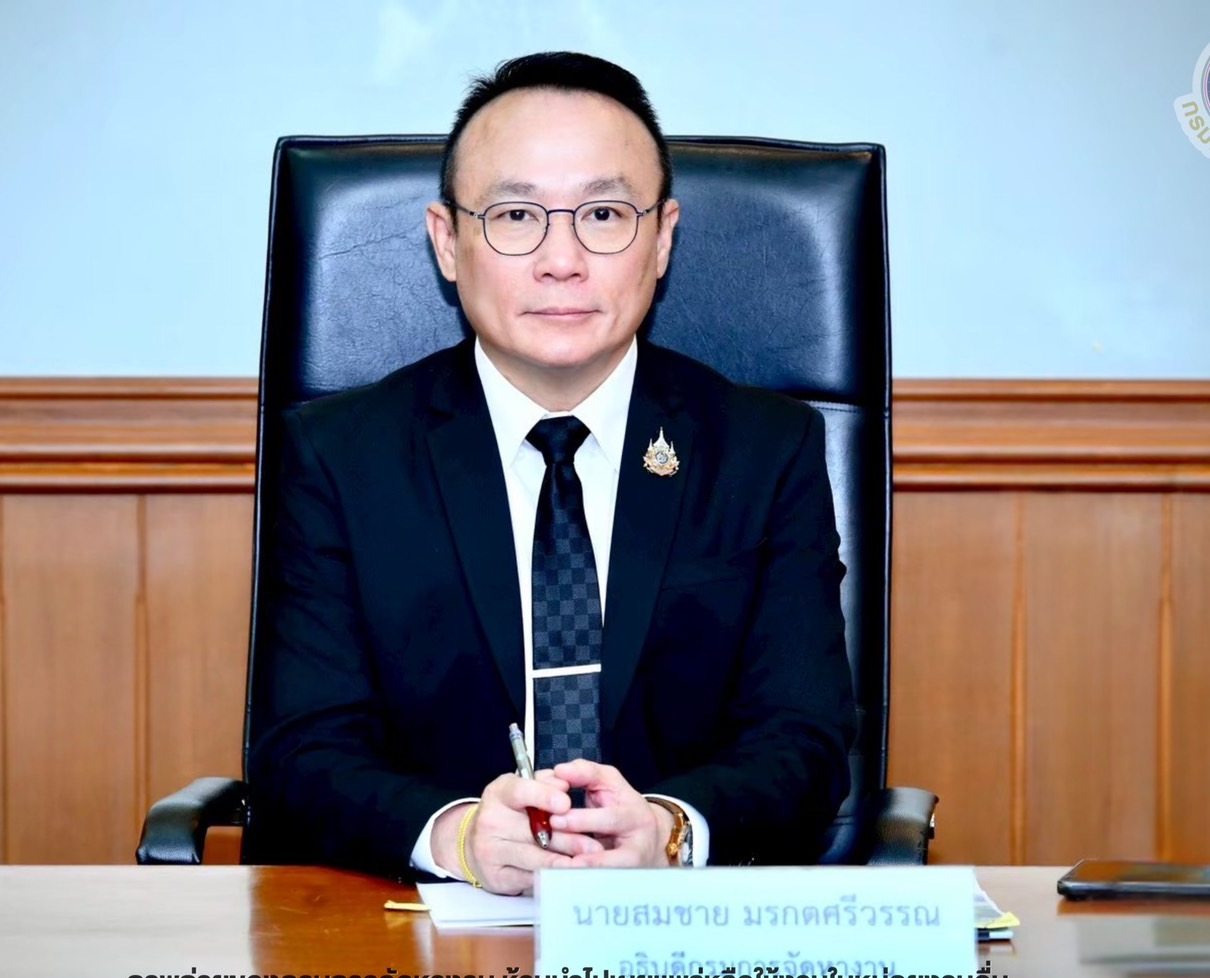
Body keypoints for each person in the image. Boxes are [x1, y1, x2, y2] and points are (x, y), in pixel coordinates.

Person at [248, 52, 856, 894]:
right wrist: (455, 835)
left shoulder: (763, 450)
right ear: (447, 241)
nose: (561, 259)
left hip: (682, 931)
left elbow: (803, 738)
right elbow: (303, 746)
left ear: (662, 238)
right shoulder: (339, 457)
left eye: (603, 213)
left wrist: (669, 829)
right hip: (417, 926)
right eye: (515, 215)